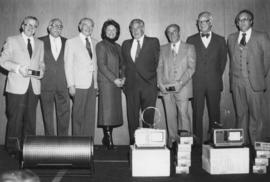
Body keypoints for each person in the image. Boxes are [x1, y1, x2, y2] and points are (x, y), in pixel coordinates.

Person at [0, 16, 44, 154]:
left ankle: (29, 149)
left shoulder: (40, 43)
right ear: (22, 26)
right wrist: (19, 68)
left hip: (34, 86)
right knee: (15, 119)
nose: (31, 27)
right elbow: (3, 61)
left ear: (36, 28)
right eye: (28, 24)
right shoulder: (12, 40)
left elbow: (41, 62)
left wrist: (42, 70)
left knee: (30, 120)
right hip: (16, 86)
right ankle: (13, 149)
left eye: (34, 25)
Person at [227, 10, 270, 146]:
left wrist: (257, 76)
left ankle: (256, 149)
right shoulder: (232, 38)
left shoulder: (261, 37)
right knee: (240, 115)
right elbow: (232, 60)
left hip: (254, 83)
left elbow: (267, 60)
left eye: (245, 19)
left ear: (251, 21)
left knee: (256, 117)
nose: (242, 22)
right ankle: (242, 146)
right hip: (237, 82)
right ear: (237, 23)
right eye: (239, 20)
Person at [186, 11, 227, 144]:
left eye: (205, 21)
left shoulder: (220, 40)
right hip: (196, 83)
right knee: (197, 113)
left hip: (214, 82)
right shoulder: (191, 40)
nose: (202, 24)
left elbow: (222, 62)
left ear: (211, 22)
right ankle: (197, 141)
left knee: (215, 113)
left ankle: (214, 140)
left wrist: (213, 76)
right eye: (199, 22)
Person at [122, 19, 160, 145]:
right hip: (131, 86)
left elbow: (158, 63)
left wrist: (157, 82)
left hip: (149, 86)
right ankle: (133, 143)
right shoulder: (126, 44)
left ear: (143, 28)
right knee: (132, 118)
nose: (135, 31)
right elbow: (123, 65)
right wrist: (123, 79)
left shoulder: (153, 41)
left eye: (138, 27)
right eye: (132, 28)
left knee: (148, 116)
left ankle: (147, 144)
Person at [157, 24, 196, 147]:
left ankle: (186, 144)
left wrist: (180, 83)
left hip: (182, 88)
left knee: (183, 115)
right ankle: (173, 143)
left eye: (174, 31)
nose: (171, 34)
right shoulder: (162, 49)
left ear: (179, 32)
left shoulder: (189, 47)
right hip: (166, 89)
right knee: (170, 116)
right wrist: (160, 84)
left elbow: (191, 68)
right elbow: (159, 68)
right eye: (169, 32)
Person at [64, 18, 98, 138]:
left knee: (90, 115)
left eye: (91, 26)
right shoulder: (71, 42)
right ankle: (77, 144)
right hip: (78, 84)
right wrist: (70, 85)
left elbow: (96, 65)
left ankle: (88, 144)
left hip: (92, 84)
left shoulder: (95, 42)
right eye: (85, 25)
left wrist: (96, 85)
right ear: (80, 26)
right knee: (78, 115)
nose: (88, 28)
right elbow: (68, 65)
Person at [96, 19, 125, 149]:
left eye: (114, 30)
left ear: (117, 32)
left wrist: (123, 77)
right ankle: (108, 140)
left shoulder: (118, 46)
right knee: (106, 112)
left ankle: (106, 139)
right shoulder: (101, 45)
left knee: (112, 112)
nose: (112, 32)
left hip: (117, 83)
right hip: (107, 83)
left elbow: (123, 65)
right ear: (104, 32)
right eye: (109, 30)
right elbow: (102, 66)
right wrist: (115, 79)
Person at [39, 18, 70, 136]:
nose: (58, 28)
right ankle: (49, 142)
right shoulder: (39, 41)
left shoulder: (68, 42)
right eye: (55, 25)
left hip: (63, 84)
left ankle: (62, 142)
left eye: (60, 26)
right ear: (49, 27)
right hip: (45, 84)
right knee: (47, 115)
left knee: (64, 115)